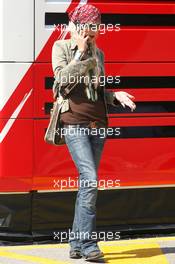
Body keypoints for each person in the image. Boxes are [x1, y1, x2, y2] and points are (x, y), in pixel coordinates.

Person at [52, 4, 136, 261]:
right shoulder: (62, 48)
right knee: (90, 180)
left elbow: (96, 91)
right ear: (77, 27)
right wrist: (80, 51)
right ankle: (89, 245)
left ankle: (76, 243)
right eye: (89, 29)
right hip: (74, 123)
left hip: (97, 125)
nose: (93, 34)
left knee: (85, 184)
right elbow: (61, 81)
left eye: (96, 29)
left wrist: (114, 96)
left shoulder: (99, 53)